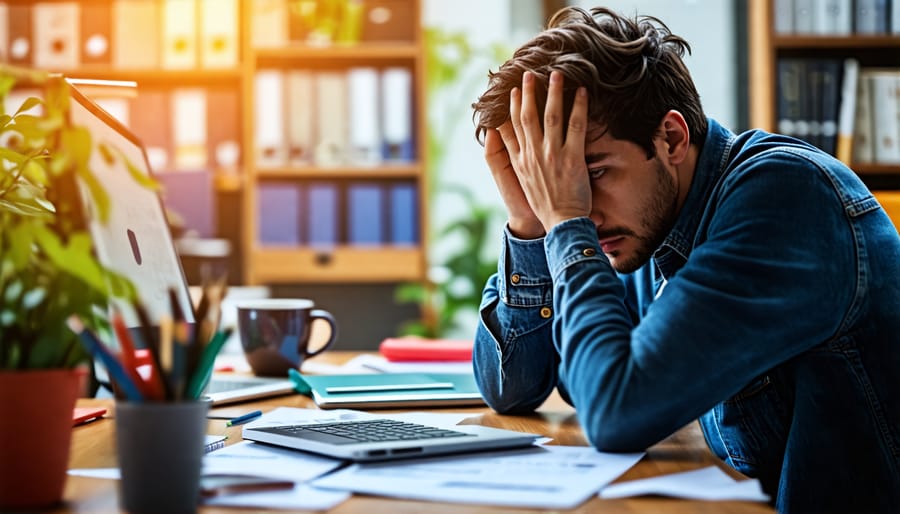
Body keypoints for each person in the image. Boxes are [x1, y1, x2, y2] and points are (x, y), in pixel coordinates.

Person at [470, 6, 900, 514]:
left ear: (671, 138)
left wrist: (566, 221)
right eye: (556, 182)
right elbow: (514, 389)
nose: (583, 204)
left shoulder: (787, 199)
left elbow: (616, 411)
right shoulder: (647, 227)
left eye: (595, 171)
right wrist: (530, 226)